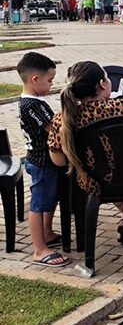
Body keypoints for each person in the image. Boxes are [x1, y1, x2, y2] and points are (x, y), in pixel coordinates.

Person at [48, 61, 123, 246]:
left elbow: (58, 161)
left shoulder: (64, 119)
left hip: (94, 181)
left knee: (104, 171)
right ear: (102, 84)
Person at [16, 53, 66, 267]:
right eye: (50, 80)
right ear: (35, 79)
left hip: (47, 160)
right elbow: (52, 128)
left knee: (50, 197)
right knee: (38, 203)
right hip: (40, 161)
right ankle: (39, 249)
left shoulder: (36, 101)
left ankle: (47, 233)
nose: (52, 84)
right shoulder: (31, 106)